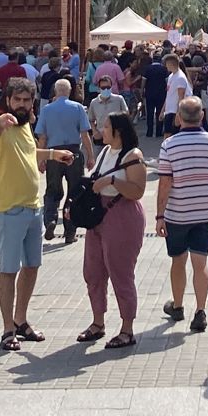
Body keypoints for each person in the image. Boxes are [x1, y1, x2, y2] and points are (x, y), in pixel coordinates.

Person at [0, 78, 74, 351]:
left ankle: (21, 320)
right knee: (8, 270)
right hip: (9, 208)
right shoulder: (2, 126)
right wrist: (1, 119)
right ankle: (7, 329)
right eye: (17, 100)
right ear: (8, 101)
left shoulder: (26, 128)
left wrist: (52, 153)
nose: (21, 105)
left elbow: (28, 152)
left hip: (33, 206)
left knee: (32, 266)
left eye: (26, 100)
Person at [155, 96, 208, 333]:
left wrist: (159, 215)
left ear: (178, 118)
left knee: (178, 259)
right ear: (202, 116)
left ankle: (177, 305)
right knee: (201, 262)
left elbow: (165, 184)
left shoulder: (169, 145)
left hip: (177, 214)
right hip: (204, 214)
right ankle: (200, 310)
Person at [76, 112, 146, 349]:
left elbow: (137, 191)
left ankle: (127, 329)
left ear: (118, 131)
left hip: (122, 216)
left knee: (120, 272)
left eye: (105, 127)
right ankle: (98, 323)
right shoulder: (105, 152)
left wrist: (113, 182)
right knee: (93, 271)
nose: (100, 130)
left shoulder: (133, 156)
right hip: (98, 216)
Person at [35, 78, 92, 243]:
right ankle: (70, 232)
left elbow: (42, 137)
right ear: (69, 91)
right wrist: (90, 155)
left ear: (55, 91)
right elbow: (84, 134)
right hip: (73, 152)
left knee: (53, 190)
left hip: (53, 153)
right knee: (74, 192)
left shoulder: (46, 110)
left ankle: (50, 220)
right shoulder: (78, 108)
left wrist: (41, 158)